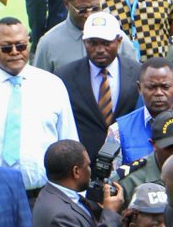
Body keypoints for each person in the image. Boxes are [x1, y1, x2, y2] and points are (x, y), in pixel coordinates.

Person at [0, 17, 78, 194]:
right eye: (6, 47)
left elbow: (68, 141)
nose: (15, 52)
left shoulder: (52, 86)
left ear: (29, 43)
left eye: (20, 46)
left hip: (43, 194)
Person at [54, 10, 142, 158]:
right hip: (82, 164)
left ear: (119, 41)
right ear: (84, 41)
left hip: (128, 162)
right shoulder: (64, 76)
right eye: (93, 43)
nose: (100, 50)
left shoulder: (138, 72)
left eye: (106, 43)